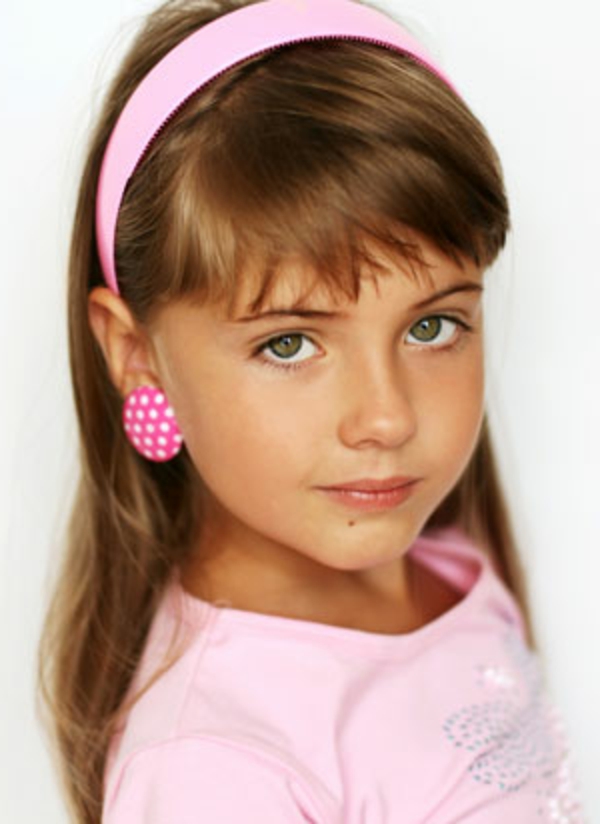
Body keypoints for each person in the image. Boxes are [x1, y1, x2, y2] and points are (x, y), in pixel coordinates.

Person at [36, 0, 588, 821]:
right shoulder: (211, 769)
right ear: (136, 354)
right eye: (289, 344)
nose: (386, 418)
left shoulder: (448, 565)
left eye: (431, 327)